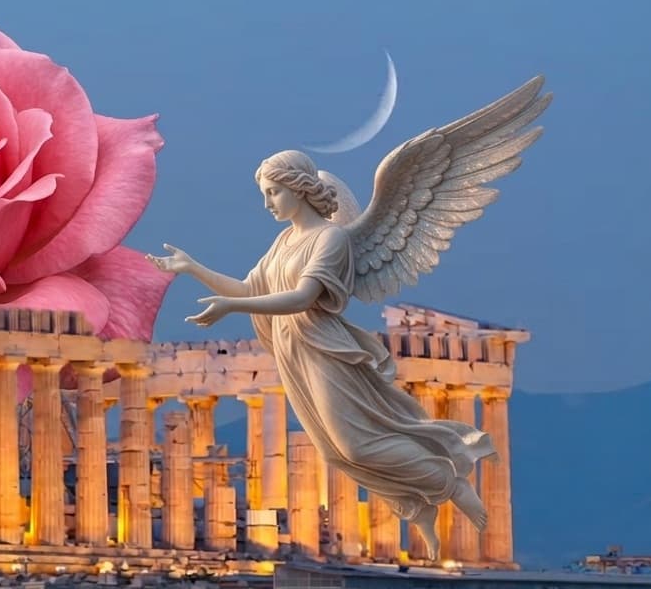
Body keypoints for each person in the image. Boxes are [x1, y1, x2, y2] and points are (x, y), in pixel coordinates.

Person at [147, 150, 493, 561]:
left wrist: (231, 307)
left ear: (299, 189)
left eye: (274, 192)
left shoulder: (333, 238)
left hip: (324, 345)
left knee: (357, 445)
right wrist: (192, 268)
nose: (268, 203)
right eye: (265, 193)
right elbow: (249, 288)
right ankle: (416, 507)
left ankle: (450, 483)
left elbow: (302, 297)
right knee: (332, 451)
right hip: (292, 350)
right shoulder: (283, 243)